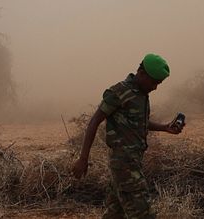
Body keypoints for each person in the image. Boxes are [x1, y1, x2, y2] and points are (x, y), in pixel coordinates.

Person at [72, 54, 184, 218]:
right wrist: (83, 158)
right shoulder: (119, 92)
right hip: (123, 163)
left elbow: (140, 122)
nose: (155, 87)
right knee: (143, 213)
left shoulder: (140, 94)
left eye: (158, 83)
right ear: (141, 73)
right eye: (154, 82)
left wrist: (165, 128)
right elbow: (94, 121)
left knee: (115, 213)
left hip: (133, 161)